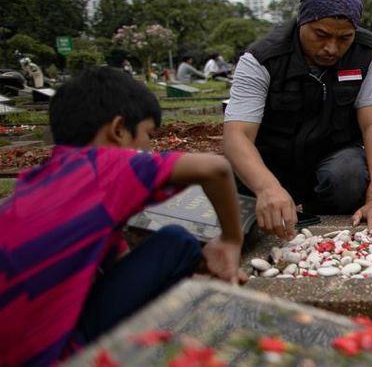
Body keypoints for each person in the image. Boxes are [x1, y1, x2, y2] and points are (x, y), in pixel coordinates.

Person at [0, 67, 245, 366]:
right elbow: (215, 169)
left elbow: (118, 262)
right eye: (148, 135)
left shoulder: (42, 180)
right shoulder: (103, 166)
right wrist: (231, 239)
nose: (150, 147)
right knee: (177, 242)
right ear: (118, 130)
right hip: (56, 356)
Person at [223, 0, 372, 240]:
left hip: (332, 158)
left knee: (349, 174)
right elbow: (237, 136)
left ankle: (322, 224)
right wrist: (267, 187)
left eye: (344, 38)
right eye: (321, 35)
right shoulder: (262, 58)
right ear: (302, 21)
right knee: (237, 197)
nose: (331, 48)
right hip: (272, 162)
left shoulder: (366, 51)